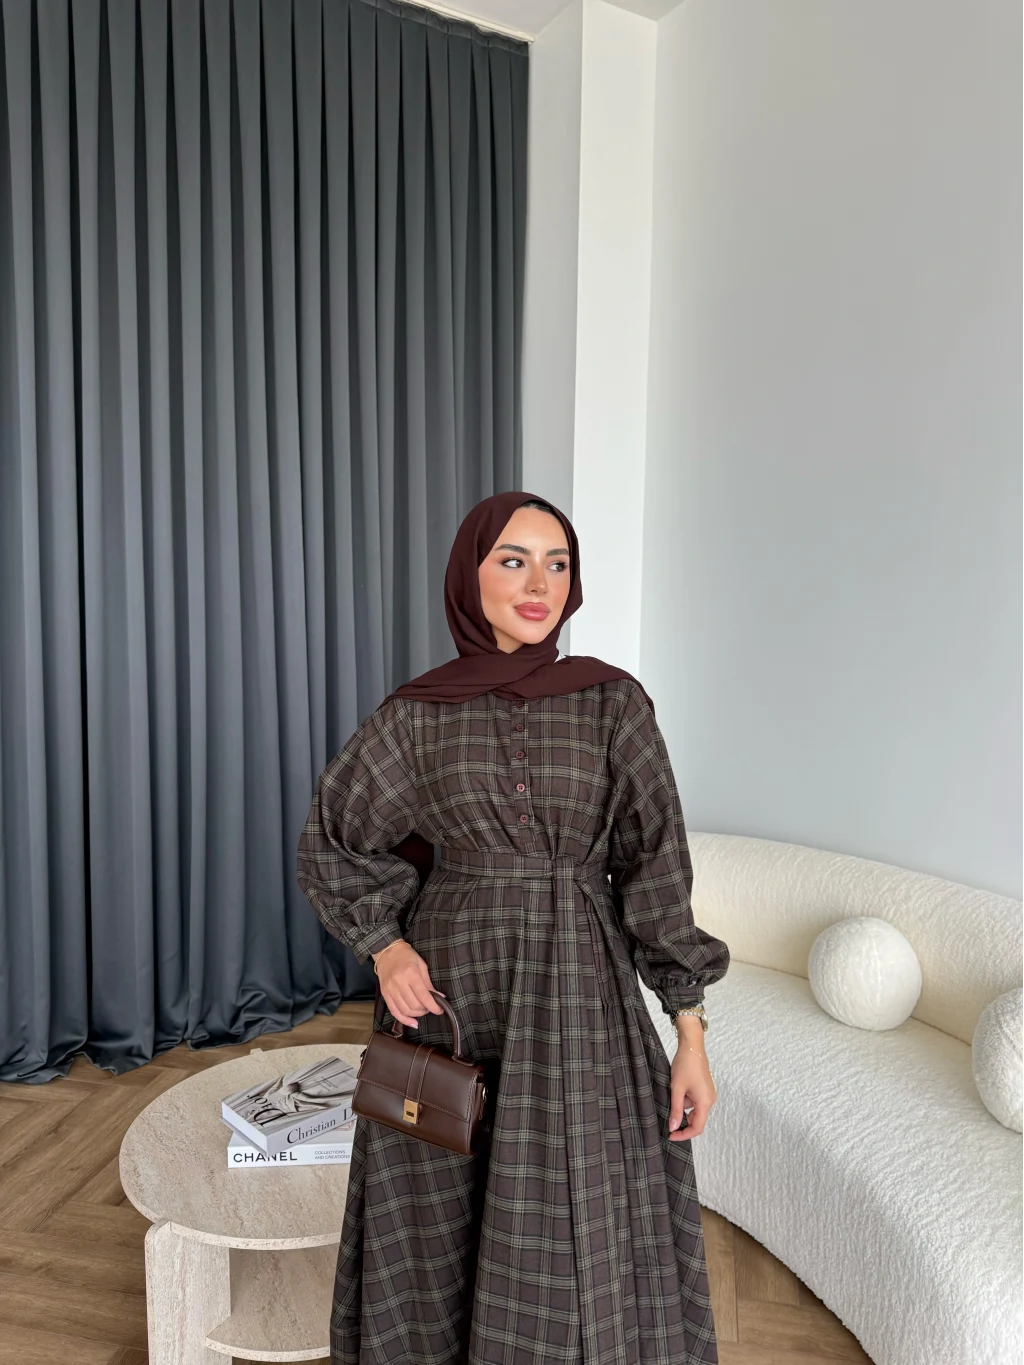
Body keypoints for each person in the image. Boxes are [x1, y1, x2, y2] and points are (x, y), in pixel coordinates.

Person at [296, 490, 731, 1365]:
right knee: (439, 1196)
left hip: (579, 990)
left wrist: (689, 1031)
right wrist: (386, 947)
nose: (539, 584)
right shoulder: (417, 714)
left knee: (577, 1202)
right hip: (453, 990)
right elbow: (334, 834)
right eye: (514, 560)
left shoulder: (613, 705)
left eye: (557, 564)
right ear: (471, 574)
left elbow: (656, 867)